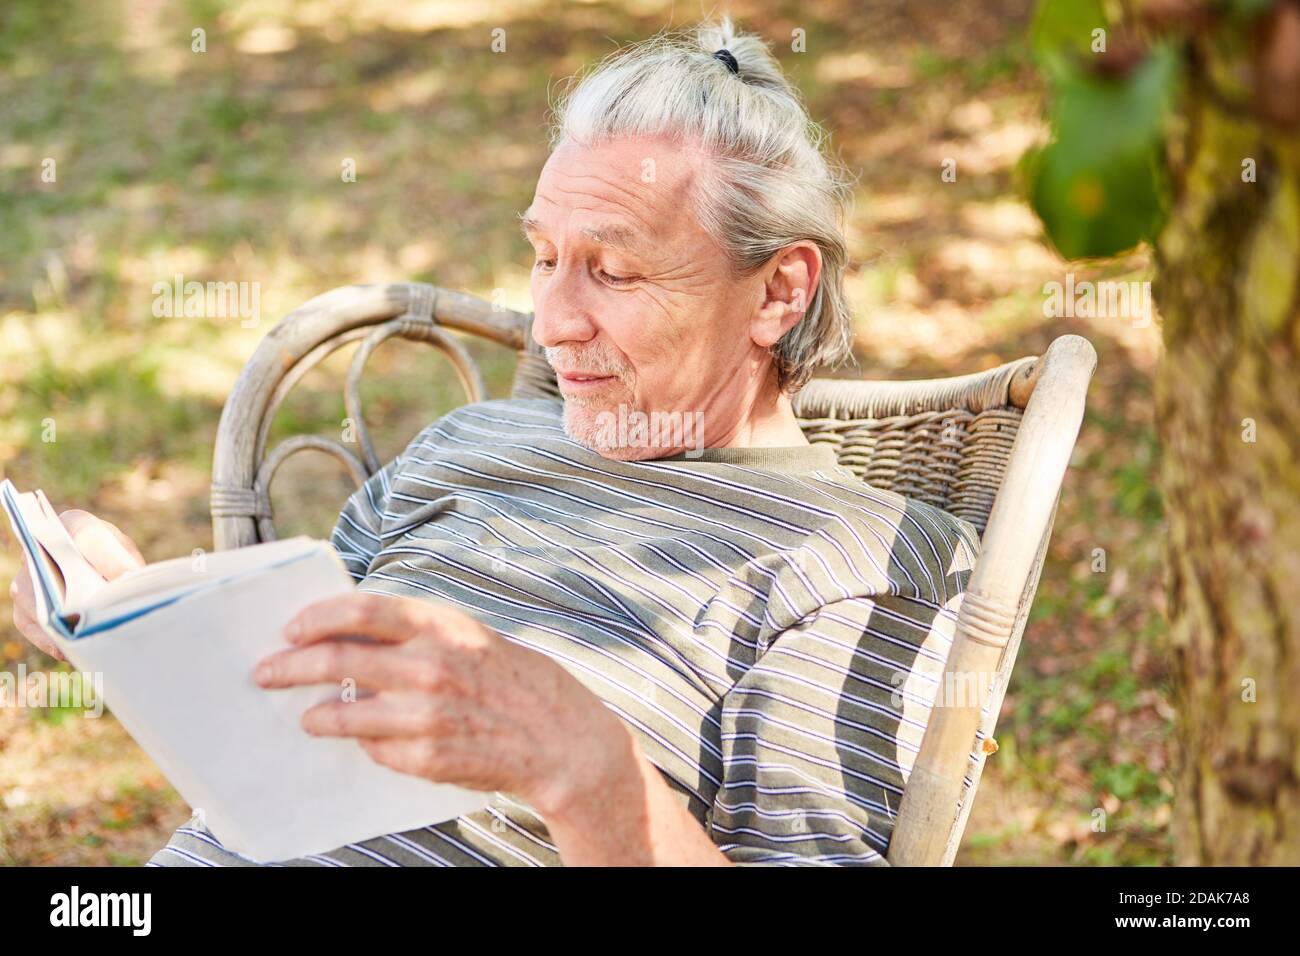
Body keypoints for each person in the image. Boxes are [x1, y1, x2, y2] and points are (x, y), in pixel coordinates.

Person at [10, 18, 979, 866]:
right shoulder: (468, 443)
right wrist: (138, 614)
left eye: (613, 269)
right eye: (544, 256)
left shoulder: (857, 557)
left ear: (777, 291)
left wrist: (581, 761)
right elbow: (288, 719)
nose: (551, 322)